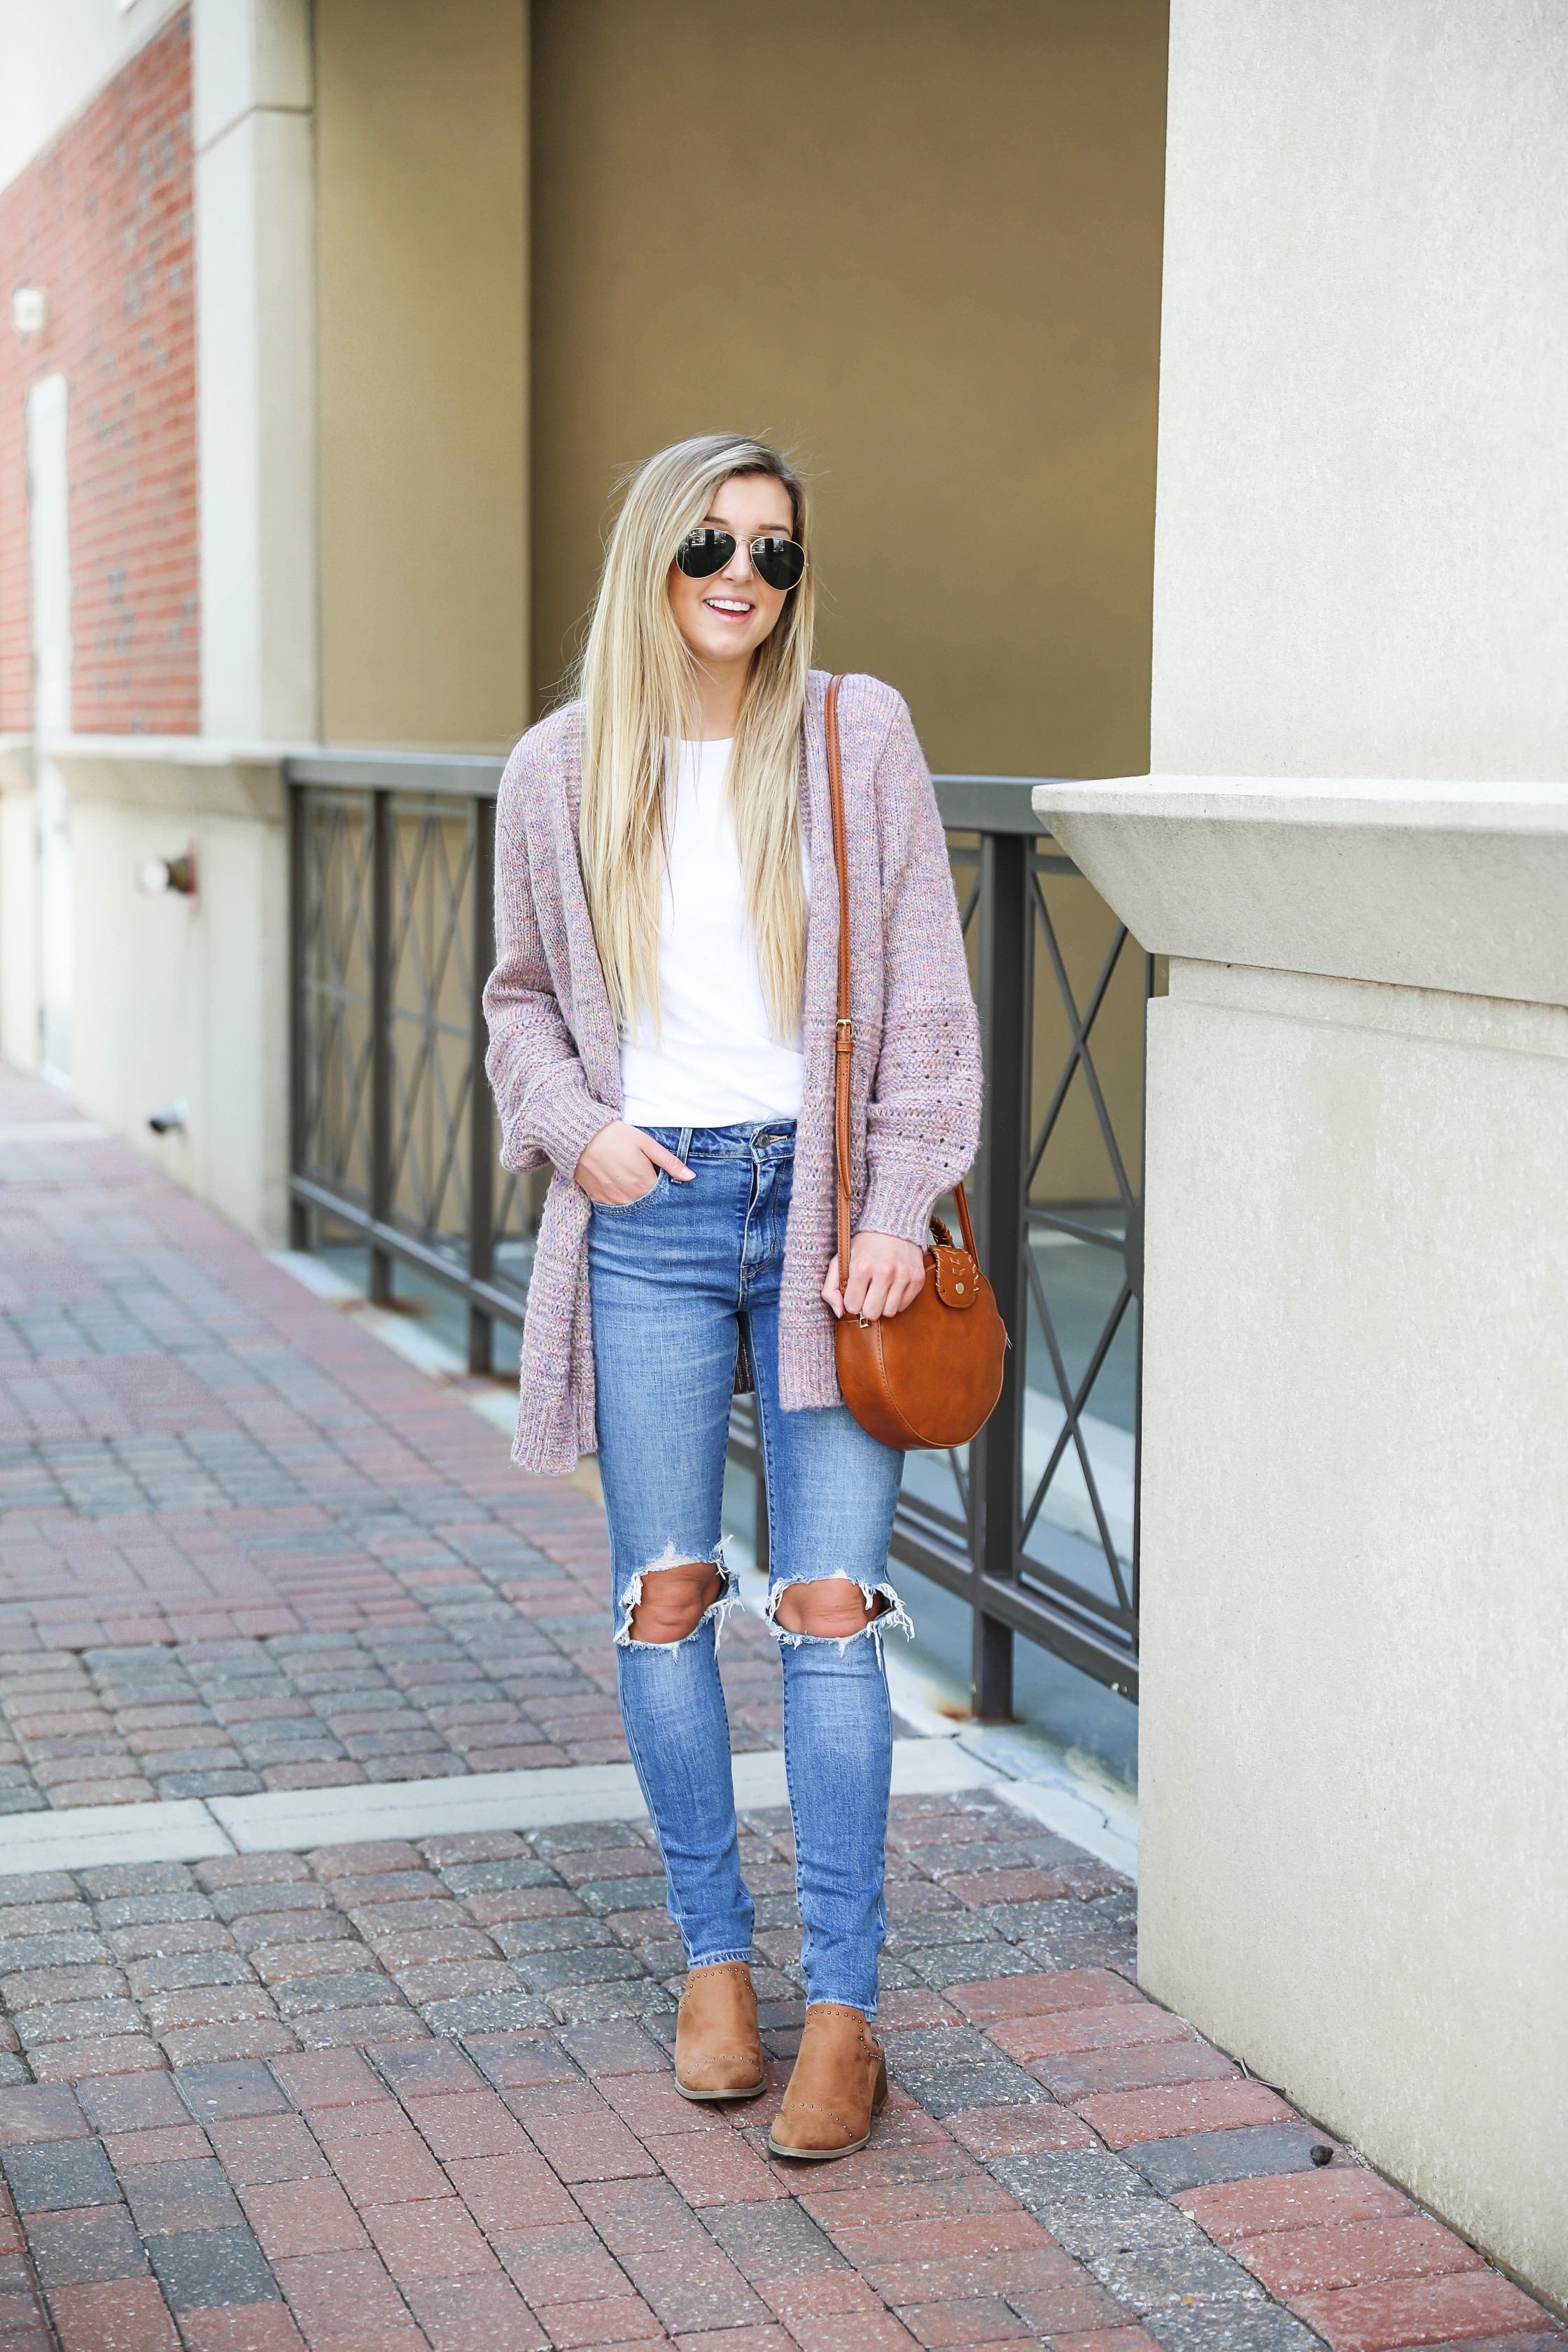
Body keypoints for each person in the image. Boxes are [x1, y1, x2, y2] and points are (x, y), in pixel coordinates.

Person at [483, 433, 981, 2160]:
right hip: (655, 1209)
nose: (742, 576)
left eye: (773, 549)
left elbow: (925, 986)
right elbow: (518, 1000)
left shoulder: (856, 734)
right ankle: (717, 1963)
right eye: (711, 540)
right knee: (666, 1594)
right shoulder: (556, 772)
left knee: (829, 1609)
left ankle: (841, 2008)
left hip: (829, 1219)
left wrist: (899, 1199)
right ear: (654, 554)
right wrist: (578, 1132)